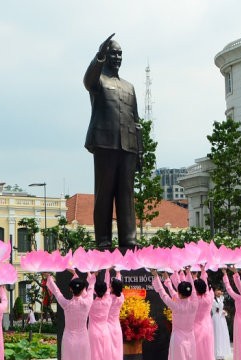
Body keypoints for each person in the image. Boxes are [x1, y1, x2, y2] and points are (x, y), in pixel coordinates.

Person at [84, 33, 143, 250]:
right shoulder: (98, 81)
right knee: (104, 194)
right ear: (106, 56)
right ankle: (103, 241)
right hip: (105, 143)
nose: (117, 58)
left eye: (120, 54)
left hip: (128, 146)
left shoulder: (129, 87)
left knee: (126, 195)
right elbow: (87, 80)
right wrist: (98, 57)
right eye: (113, 54)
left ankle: (129, 241)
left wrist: (140, 150)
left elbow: (136, 121)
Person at [47, 272, 96, 360]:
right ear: (82, 290)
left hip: (69, 340)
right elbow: (91, 289)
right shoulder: (87, 303)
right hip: (83, 340)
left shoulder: (66, 304)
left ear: (70, 289)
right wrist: (91, 277)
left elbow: (56, 292)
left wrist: (49, 278)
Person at [151, 270, 199, 360]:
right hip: (190, 339)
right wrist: (188, 272)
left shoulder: (176, 305)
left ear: (179, 293)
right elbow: (188, 291)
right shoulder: (194, 303)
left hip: (178, 339)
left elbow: (163, 294)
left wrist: (157, 277)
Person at [89, 273, 114, 360]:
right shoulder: (108, 301)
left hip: (93, 333)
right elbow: (108, 288)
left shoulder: (91, 303)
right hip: (105, 332)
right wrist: (107, 271)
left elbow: (85, 292)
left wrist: (91, 276)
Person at [192, 268, 215, 360]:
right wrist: (203, 271)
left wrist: (191, 274)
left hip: (195, 330)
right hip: (207, 330)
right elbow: (206, 287)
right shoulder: (209, 298)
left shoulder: (193, 300)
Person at [108, 276, 125, 360]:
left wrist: (108, 271)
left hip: (108, 327)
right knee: (118, 354)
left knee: (109, 354)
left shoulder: (108, 298)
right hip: (116, 327)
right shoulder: (121, 297)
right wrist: (118, 271)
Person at [211, 287, 232, 360]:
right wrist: (222, 298)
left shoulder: (220, 299)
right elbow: (218, 307)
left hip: (222, 319)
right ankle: (217, 354)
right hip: (216, 319)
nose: (219, 292)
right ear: (214, 292)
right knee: (217, 335)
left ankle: (222, 354)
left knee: (222, 335)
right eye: (217, 290)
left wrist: (224, 312)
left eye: (220, 290)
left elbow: (221, 309)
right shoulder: (213, 300)